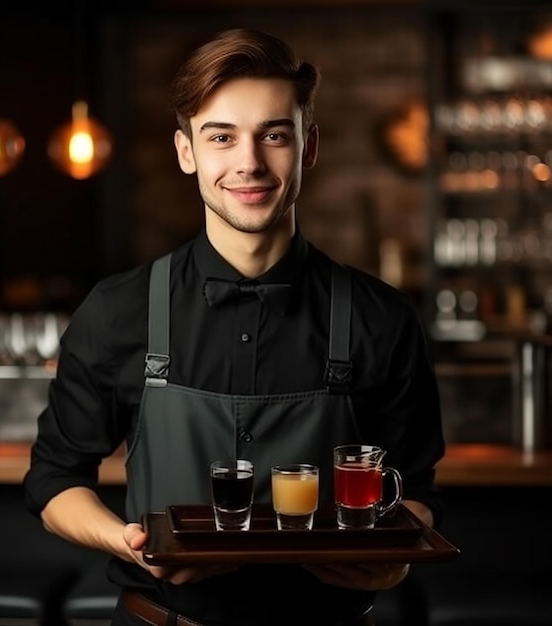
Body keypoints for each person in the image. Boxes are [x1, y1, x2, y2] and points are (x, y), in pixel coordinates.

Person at [24, 27, 445, 626]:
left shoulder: (384, 318)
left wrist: (393, 561)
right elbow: (53, 481)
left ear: (309, 147)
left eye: (274, 135)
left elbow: (418, 493)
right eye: (221, 137)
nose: (248, 163)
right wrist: (128, 544)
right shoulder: (118, 310)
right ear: (186, 151)